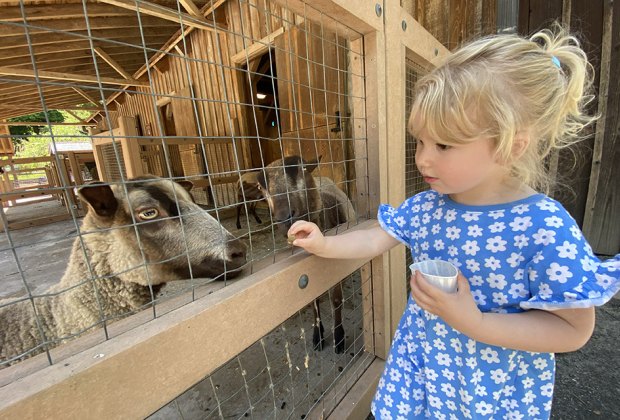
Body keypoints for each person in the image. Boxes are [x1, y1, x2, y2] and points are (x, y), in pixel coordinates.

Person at [288, 24, 620, 419]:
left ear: (510, 145)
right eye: (420, 142)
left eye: (443, 145)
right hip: (422, 369)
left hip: (489, 391)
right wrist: (325, 245)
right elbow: (377, 237)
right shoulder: (429, 206)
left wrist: (474, 321)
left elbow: (573, 330)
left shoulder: (544, 226)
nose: (423, 159)